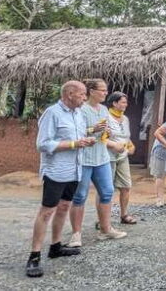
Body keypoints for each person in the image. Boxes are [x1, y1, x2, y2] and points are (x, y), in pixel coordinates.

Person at [25, 81, 96, 278]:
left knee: (65, 207)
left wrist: (87, 138)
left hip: (75, 170)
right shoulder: (52, 113)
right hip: (56, 170)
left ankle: (55, 246)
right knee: (47, 211)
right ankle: (34, 255)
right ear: (70, 93)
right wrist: (74, 143)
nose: (84, 98)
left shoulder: (79, 114)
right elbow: (43, 144)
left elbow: (79, 136)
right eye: (82, 94)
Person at [67, 79, 127, 247]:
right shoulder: (81, 110)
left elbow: (102, 134)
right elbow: (75, 132)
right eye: (102, 90)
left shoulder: (104, 110)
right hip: (84, 159)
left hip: (102, 158)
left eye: (106, 90)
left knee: (107, 193)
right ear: (91, 91)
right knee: (79, 197)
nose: (105, 93)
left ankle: (105, 229)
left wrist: (106, 133)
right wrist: (94, 130)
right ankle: (76, 234)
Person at [105, 91, 137, 225]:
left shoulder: (125, 119)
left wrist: (131, 146)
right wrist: (112, 145)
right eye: (123, 102)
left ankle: (124, 215)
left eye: (126, 102)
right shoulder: (105, 117)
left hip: (123, 157)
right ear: (114, 103)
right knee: (107, 189)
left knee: (126, 186)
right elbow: (99, 139)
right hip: (108, 157)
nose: (126, 104)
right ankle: (103, 219)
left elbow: (126, 137)